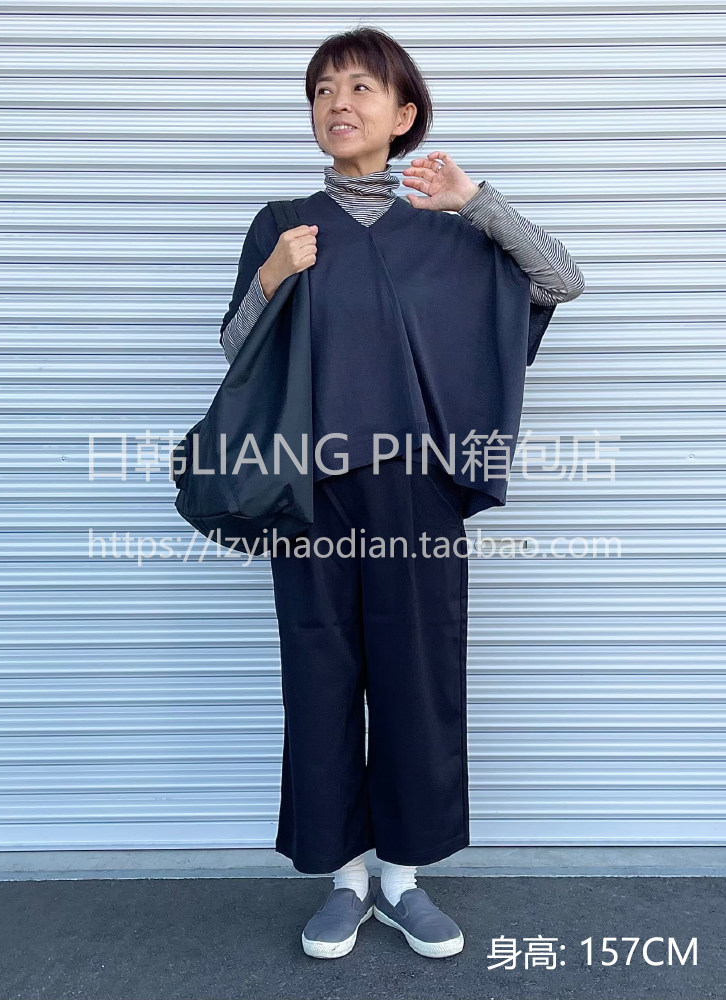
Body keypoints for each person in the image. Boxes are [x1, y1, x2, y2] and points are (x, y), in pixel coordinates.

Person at [219, 26, 585, 960]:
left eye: (361, 87)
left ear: (403, 113)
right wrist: (273, 275)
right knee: (320, 678)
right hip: (310, 496)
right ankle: (344, 879)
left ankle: (403, 880)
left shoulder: (448, 235)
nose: (338, 103)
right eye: (322, 90)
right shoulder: (283, 225)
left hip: (417, 494)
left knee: (418, 684)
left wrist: (478, 202)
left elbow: (561, 279)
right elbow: (236, 351)